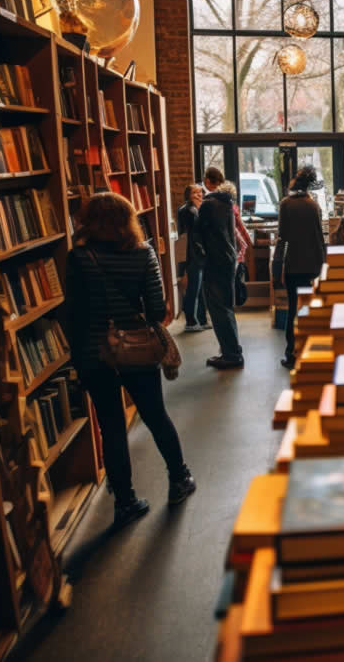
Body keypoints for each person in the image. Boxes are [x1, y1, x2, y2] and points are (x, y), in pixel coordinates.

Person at [65, 193, 195, 527]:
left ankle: (125, 501)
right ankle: (179, 480)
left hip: (95, 354)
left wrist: (80, 357)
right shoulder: (143, 253)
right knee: (155, 415)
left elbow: (72, 315)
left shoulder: (78, 257)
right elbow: (155, 309)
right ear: (128, 220)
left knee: (111, 427)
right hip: (137, 348)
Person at [274, 166, 327, 368]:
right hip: (313, 265)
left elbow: (282, 240)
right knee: (310, 310)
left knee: (293, 310)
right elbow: (319, 239)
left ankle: (291, 353)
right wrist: (323, 264)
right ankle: (311, 350)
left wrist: (277, 266)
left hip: (293, 266)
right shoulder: (314, 206)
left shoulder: (285, 205)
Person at [195, 166, 243, 369]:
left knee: (217, 309)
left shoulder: (207, 205)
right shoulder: (227, 203)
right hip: (228, 260)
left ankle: (231, 354)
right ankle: (232, 350)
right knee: (226, 307)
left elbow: (199, 237)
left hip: (214, 262)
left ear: (207, 181)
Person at [176, 184, 209, 332]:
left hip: (199, 253)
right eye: (195, 192)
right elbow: (197, 228)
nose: (199, 195)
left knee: (200, 289)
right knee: (193, 288)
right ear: (188, 195)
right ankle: (190, 321)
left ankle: (201, 320)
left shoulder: (197, 208)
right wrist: (199, 210)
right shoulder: (187, 210)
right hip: (192, 254)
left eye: (200, 192)